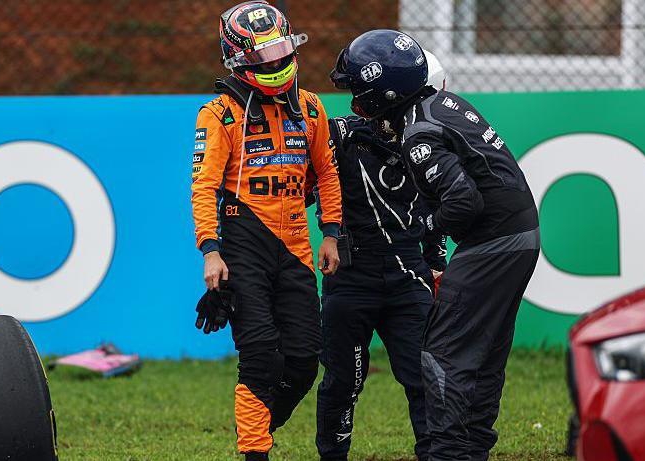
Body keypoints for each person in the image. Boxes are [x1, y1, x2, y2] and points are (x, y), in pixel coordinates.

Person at [330, 29, 540, 461]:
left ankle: (448, 452)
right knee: (485, 354)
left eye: (358, 93)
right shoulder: (444, 104)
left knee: (443, 353)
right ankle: (473, 449)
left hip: (492, 243)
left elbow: (463, 201)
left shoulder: (417, 132)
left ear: (384, 92)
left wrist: (427, 223)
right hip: (518, 236)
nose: (356, 105)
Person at [190, 2, 342, 460]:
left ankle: (257, 422)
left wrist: (331, 233)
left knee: (304, 360)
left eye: (279, 52)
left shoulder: (311, 107)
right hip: (242, 245)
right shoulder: (218, 114)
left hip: (297, 247)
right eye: (263, 57)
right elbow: (204, 185)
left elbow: (327, 172)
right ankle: (254, 451)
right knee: (259, 356)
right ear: (236, 59)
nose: (275, 63)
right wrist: (211, 250)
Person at [315, 114, 447, 461]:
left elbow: (438, 201)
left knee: (425, 375)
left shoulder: (426, 135)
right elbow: (302, 188)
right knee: (343, 381)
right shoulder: (340, 132)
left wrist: (436, 260)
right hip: (349, 272)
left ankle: (436, 455)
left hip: (408, 272)